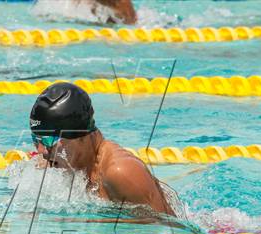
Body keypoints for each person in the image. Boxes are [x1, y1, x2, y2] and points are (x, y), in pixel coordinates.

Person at [29, 82, 175, 216]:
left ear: (80, 135)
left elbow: (168, 232)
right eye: (36, 140)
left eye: (48, 140)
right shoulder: (57, 163)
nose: (42, 151)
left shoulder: (121, 172)